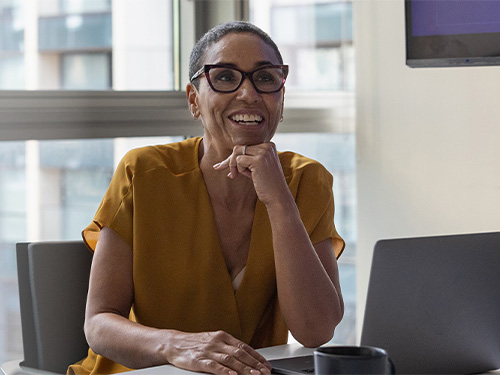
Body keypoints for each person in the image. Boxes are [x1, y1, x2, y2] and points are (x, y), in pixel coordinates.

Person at [68, 20, 345, 375]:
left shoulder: (306, 181)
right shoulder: (143, 172)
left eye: (265, 78)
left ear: (281, 97)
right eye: (226, 77)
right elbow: (99, 323)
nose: (249, 94)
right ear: (194, 100)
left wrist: (279, 201)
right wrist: (174, 345)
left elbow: (315, 331)